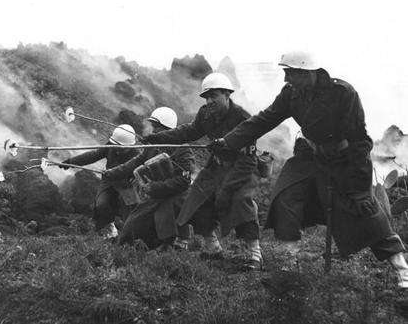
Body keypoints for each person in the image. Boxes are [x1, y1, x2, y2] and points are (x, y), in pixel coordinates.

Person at [216, 50, 408, 288]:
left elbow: (360, 142)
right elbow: (264, 119)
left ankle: (402, 271)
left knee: (366, 211)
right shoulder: (292, 94)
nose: (286, 79)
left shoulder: (342, 94)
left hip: (345, 161)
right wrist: (229, 140)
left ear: (307, 73)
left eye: (290, 73)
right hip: (310, 158)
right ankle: (289, 264)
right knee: (286, 197)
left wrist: (359, 187)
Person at [142, 73, 263, 269]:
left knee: (240, 201)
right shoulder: (205, 114)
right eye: (206, 97)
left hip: (242, 167)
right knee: (196, 200)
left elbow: (248, 158)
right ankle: (214, 249)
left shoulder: (242, 118)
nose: (209, 101)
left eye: (213, 95)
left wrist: (228, 188)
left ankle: (255, 255)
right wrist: (156, 138)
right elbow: (188, 132)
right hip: (216, 166)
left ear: (227, 94)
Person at [103, 107, 194, 250]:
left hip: (176, 197)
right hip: (155, 196)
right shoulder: (153, 146)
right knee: (131, 228)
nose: (154, 130)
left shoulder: (182, 149)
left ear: (168, 128)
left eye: (157, 127)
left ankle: (176, 244)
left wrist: (156, 187)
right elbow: (134, 163)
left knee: (165, 217)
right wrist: (112, 173)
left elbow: (184, 181)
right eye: (154, 126)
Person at [60, 124, 139, 238]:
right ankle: (107, 232)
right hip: (109, 181)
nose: (117, 149)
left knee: (129, 210)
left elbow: (130, 171)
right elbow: (94, 155)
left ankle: (129, 237)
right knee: (101, 205)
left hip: (127, 185)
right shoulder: (111, 147)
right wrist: (71, 161)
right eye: (115, 146)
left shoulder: (136, 155)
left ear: (129, 147)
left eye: (120, 148)